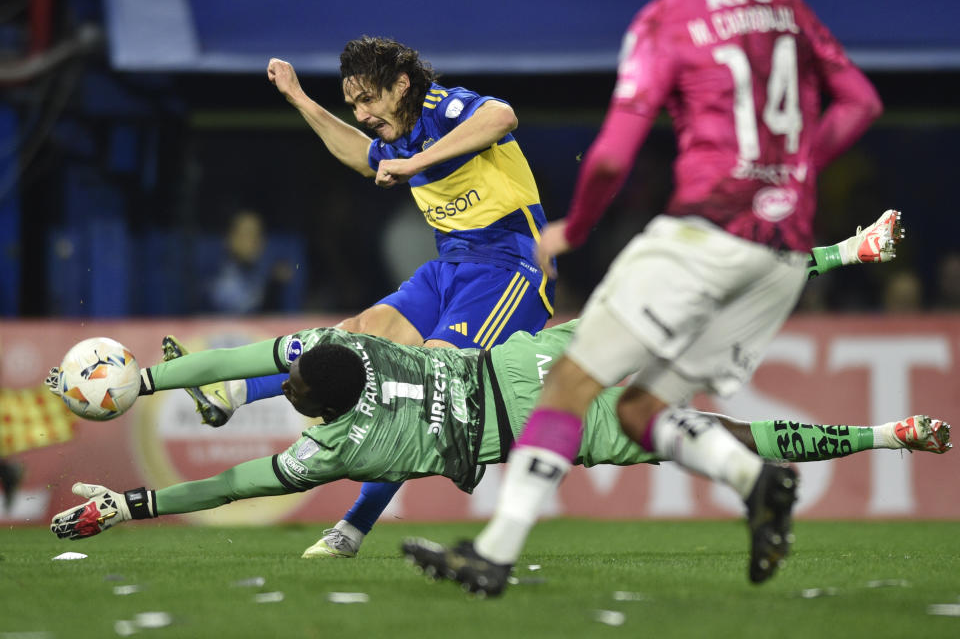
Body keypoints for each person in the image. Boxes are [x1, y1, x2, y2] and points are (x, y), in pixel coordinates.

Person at [403, 0, 886, 594]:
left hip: (705, 235)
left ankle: (493, 555)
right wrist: (794, 175)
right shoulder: (791, 15)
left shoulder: (670, 20)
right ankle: (756, 480)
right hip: (781, 255)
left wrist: (575, 229)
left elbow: (609, 155)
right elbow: (862, 102)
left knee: (569, 384)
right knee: (639, 410)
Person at [162, 211, 902, 558]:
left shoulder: (355, 419)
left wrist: (146, 487)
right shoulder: (365, 392)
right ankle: (886, 431)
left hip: (546, 381)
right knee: (731, 436)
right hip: (551, 388)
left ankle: (847, 252)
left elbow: (252, 468)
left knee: (704, 318)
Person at [47, 320, 949, 545]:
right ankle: (835, 281)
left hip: (557, 423)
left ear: (314, 402)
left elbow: (236, 486)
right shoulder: (354, 346)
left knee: (738, 443)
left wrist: (134, 502)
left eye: (290, 388)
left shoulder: (341, 449)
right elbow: (250, 354)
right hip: (538, 367)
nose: (285, 381)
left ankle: (883, 430)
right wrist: (160, 379)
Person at [254, 36, 557, 555]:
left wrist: (416, 164)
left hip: (509, 268)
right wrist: (301, 100)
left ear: (402, 85)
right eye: (354, 104)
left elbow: (502, 116)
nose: (362, 113)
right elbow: (363, 156)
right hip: (450, 268)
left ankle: (351, 530)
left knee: (426, 387)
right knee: (355, 336)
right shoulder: (397, 133)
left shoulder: (443, 107)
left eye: (368, 99)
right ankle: (232, 394)